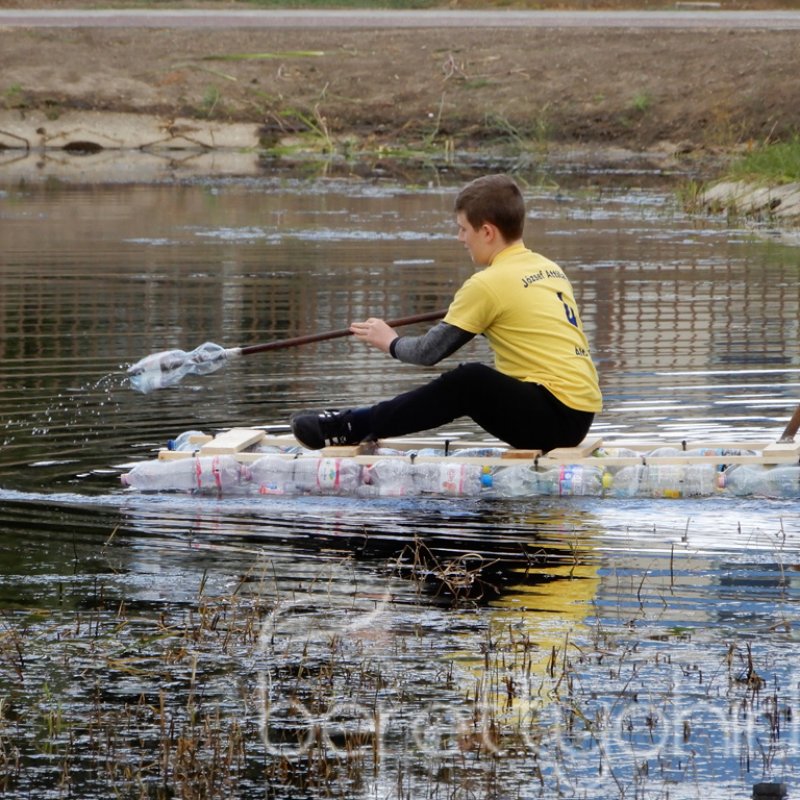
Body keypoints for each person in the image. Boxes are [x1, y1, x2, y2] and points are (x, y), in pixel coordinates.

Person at [290, 174, 602, 452]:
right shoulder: (548, 269)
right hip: (579, 414)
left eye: (463, 229)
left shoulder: (488, 284)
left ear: (488, 232)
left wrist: (390, 342)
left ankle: (349, 427)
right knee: (473, 381)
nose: (460, 238)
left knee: (468, 382)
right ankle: (354, 423)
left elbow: (428, 352)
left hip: (553, 419)